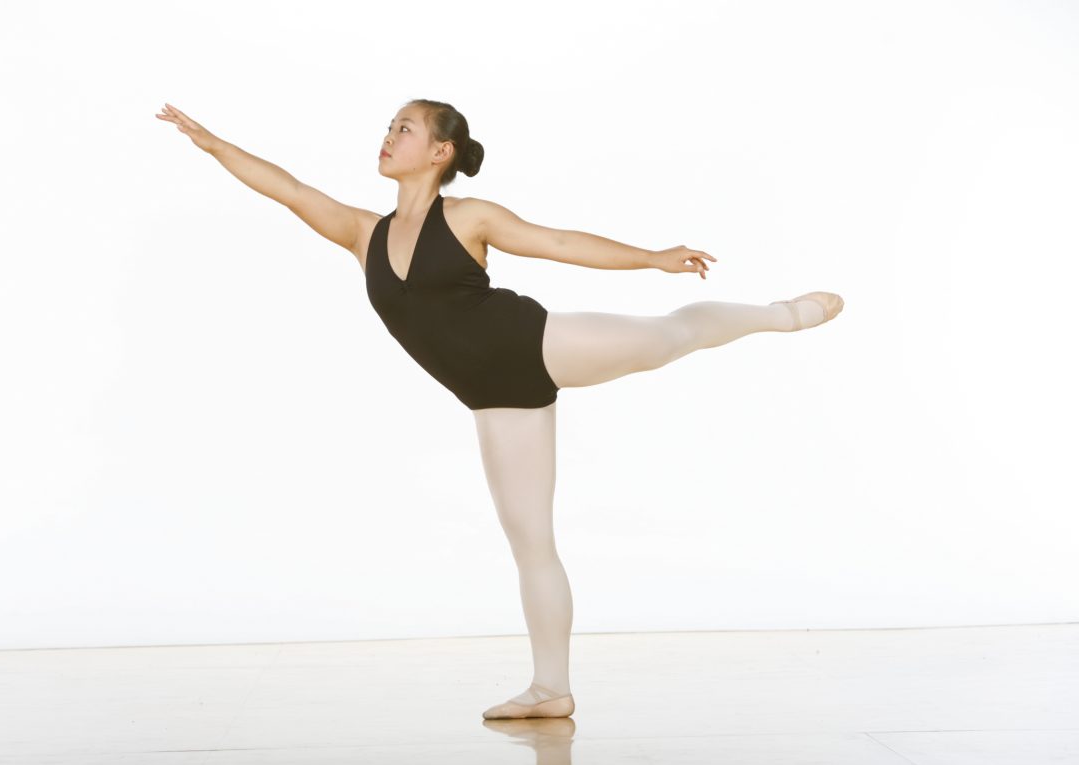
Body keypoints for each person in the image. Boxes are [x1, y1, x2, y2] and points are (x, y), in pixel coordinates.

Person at [155, 98, 844, 720]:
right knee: (531, 543)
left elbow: (561, 244)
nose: (388, 135)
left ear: (440, 152)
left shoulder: (468, 217)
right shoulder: (362, 233)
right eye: (389, 125)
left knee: (668, 336)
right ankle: (552, 688)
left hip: (537, 345)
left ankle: (782, 315)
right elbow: (290, 190)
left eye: (405, 128)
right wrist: (212, 143)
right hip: (492, 398)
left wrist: (653, 258)